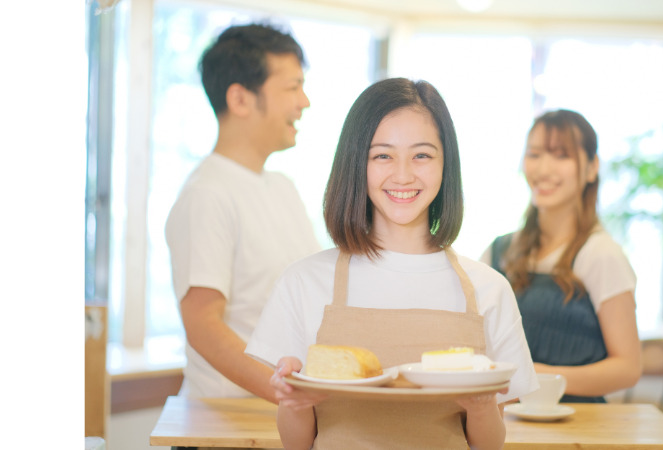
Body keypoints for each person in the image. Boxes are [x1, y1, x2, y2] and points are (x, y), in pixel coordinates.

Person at [245, 78, 538, 450]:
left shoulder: (489, 289)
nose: (403, 175)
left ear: (446, 165)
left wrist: (481, 409)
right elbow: (297, 444)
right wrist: (296, 404)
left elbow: (489, 445)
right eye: (382, 155)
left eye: (422, 155)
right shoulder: (304, 281)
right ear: (356, 163)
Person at [165, 23, 320, 401]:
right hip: (226, 425)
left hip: (283, 417)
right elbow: (202, 325)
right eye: (292, 87)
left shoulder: (283, 187)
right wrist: (285, 391)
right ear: (240, 99)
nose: (304, 101)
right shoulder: (207, 194)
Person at [481, 109, 641, 403]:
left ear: (592, 168)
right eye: (534, 154)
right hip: (504, 426)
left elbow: (628, 368)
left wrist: (537, 376)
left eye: (561, 155)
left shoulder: (600, 254)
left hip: (578, 428)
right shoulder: (498, 251)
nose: (543, 169)